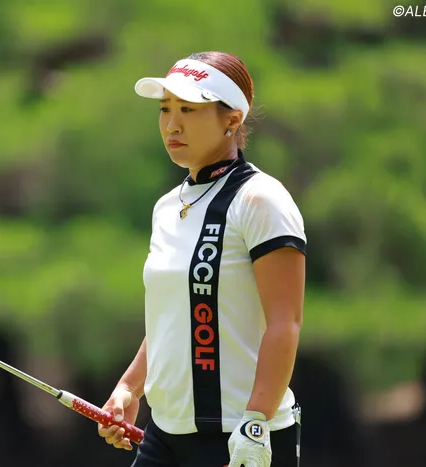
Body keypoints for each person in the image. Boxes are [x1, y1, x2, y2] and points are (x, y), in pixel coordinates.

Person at [97, 51, 306, 467]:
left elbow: (285, 323)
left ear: (232, 120)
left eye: (189, 109)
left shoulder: (261, 199)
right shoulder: (166, 207)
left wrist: (255, 423)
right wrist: (129, 387)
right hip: (165, 436)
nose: (172, 124)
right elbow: (172, 315)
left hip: (243, 436)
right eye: (165, 109)